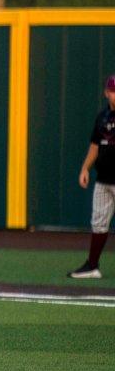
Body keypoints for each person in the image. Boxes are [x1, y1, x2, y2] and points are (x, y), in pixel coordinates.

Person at [70, 74, 115, 278]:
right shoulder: (102, 117)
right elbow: (95, 146)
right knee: (98, 222)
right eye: (113, 91)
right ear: (106, 93)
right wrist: (85, 168)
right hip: (103, 180)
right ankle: (92, 266)